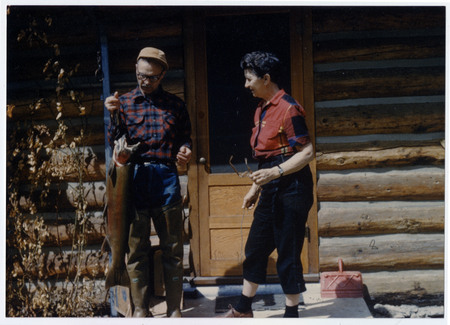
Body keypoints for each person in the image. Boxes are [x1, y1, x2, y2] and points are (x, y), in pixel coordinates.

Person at [219, 51, 314, 318]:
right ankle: (243, 308)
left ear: (266, 78)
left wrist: (276, 172)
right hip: (272, 183)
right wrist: (254, 189)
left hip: (293, 186)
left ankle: (291, 313)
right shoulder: (261, 109)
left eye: (250, 79)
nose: (246, 85)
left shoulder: (288, 108)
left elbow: (307, 153)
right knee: (256, 247)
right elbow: (267, 160)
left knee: (288, 249)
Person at [104, 47, 192, 317]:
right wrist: (112, 114)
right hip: (135, 180)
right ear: (135, 70)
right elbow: (115, 141)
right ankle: (140, 309)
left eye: (152, 77)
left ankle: (175, 309)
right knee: (136, 250)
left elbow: (185, 138)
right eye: (141, 75)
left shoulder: (176, 105)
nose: (145, 81)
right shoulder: (125, 103)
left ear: (162, 75)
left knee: (173, 249)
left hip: (166, 180)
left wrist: (186, 149)